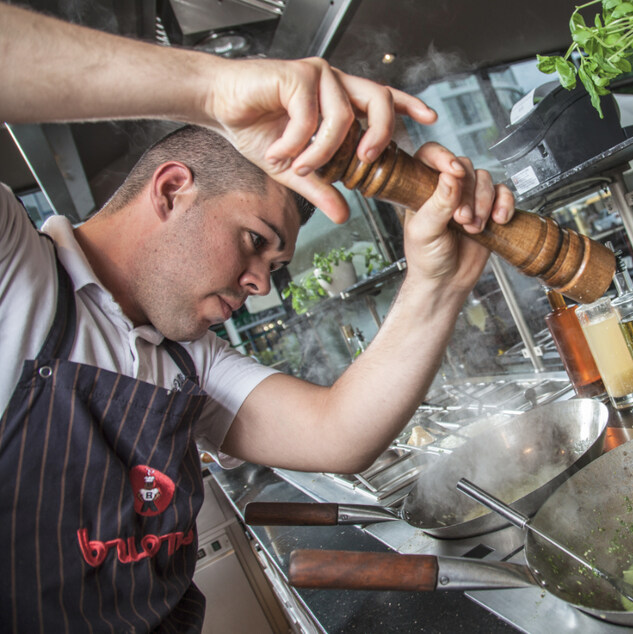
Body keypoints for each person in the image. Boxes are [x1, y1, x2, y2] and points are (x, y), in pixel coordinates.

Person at [0, 3, 515, 632]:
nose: (259, 285)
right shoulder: (15, 273)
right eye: (254, 240)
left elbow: (337, 435)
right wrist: (210, 88)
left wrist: (439, 282)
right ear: (170, 190)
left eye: (274, 264)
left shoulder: (186, 356)